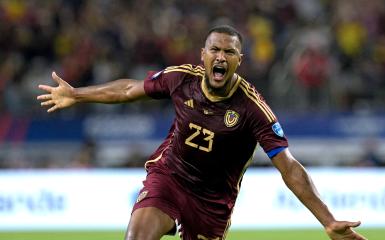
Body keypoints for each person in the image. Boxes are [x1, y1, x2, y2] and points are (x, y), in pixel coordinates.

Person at [37, 25, 367, 240]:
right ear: (203, 55)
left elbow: (289, 166)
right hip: (169, 178)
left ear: (239, 60)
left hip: (213, 202)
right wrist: (77, 94)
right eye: (215, 50)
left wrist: (327, 219)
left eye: (229, 52)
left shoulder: (252, 108)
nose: (220, 56)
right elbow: (128, 90)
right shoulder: (181, 78)